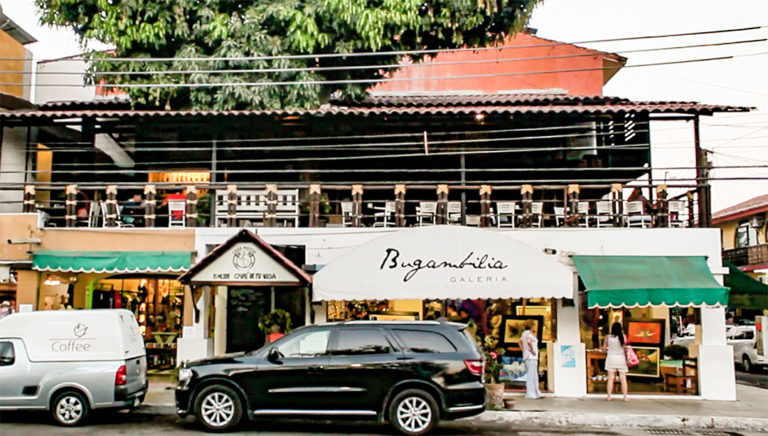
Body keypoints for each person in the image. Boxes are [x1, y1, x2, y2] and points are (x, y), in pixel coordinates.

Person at [603, 322, 629, 402]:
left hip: (611, 358)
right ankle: (625, 397)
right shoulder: (623, 337)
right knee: (623, 379)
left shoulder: (607, 337)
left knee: (610, 378)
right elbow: (626, 346)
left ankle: (609, 396)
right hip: (621, 358)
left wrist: (606, 348)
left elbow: (604, 348)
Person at [519, 320, 541, 399]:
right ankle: (531, 393)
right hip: (531, 356)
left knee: (533, 374)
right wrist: (532, 350)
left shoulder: (524, 333)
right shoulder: (529, 334)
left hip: (527, 356)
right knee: (531, 375)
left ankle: (536, 391)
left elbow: (520, 341)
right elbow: (529, 342)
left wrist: (523, 349)